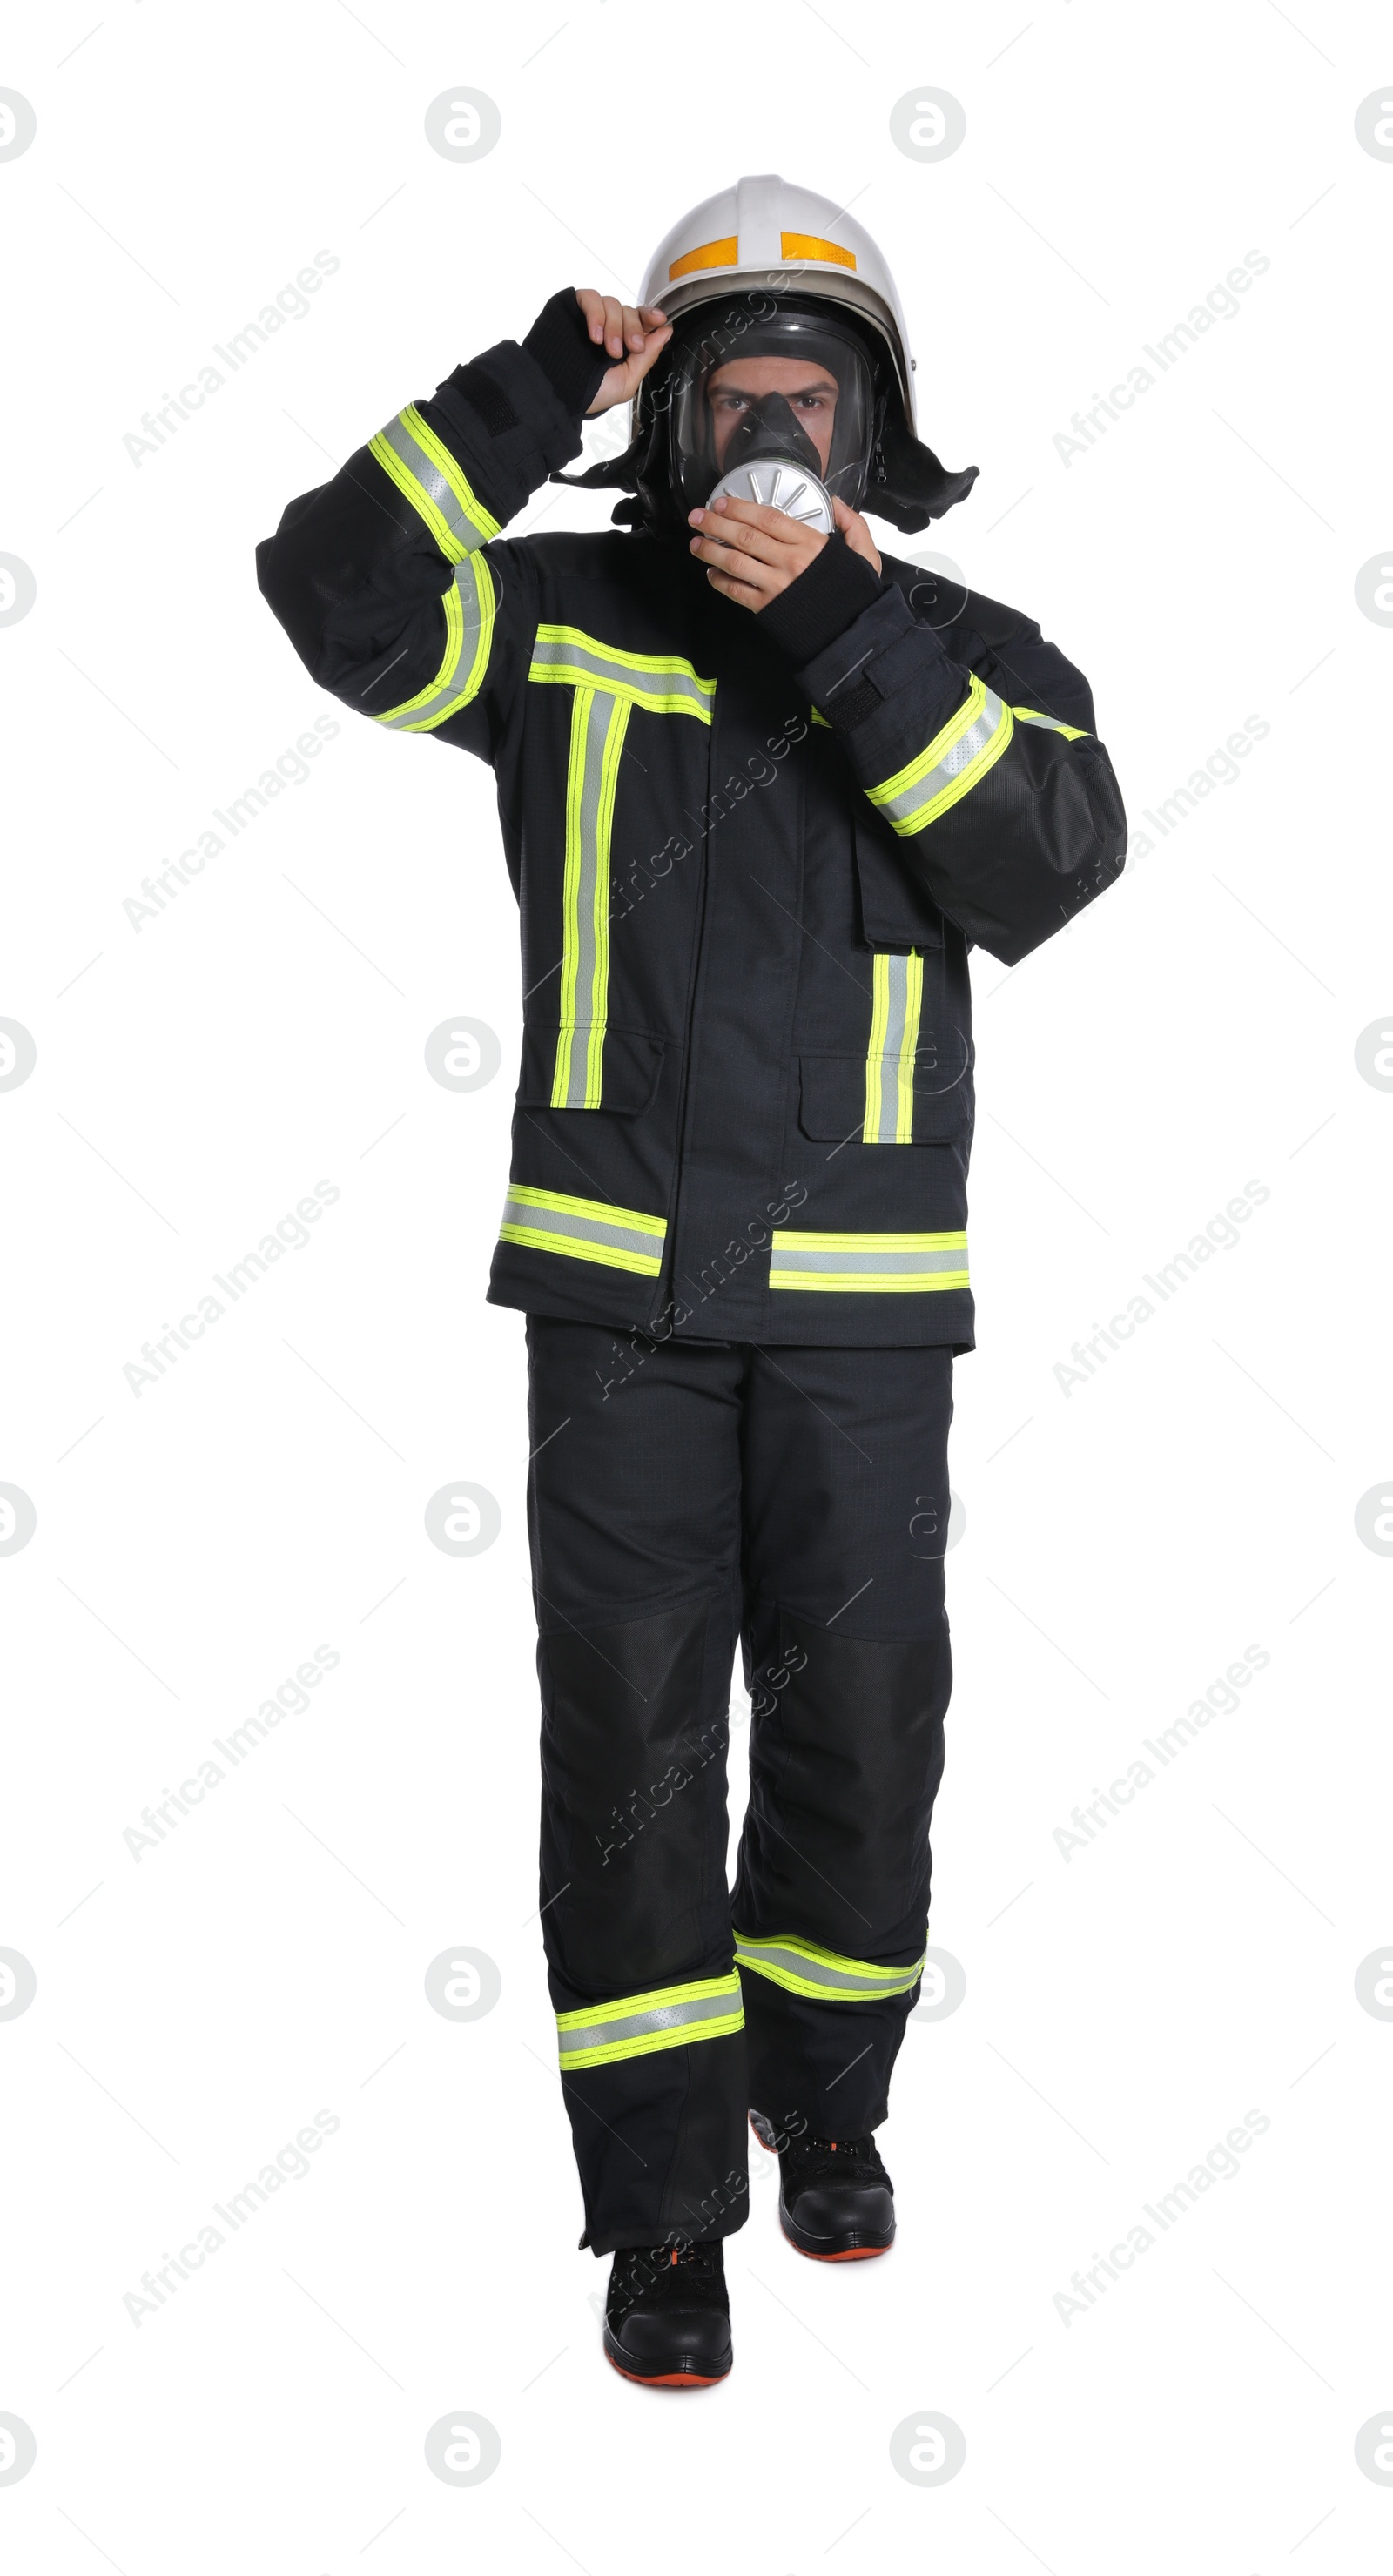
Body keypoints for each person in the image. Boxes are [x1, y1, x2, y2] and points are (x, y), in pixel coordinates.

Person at [257, 172, 1127, 2390]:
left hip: (860, 1321)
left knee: (861, 1729)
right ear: (663, 416)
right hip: (612, 1304)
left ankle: (826, 2102)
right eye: (726, 384)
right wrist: (529, 381)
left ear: (871, 422)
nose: (770, 427)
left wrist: (842, 629)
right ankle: (660, 2213)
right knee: (631, 1753)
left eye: (808, 395)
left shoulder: (979, 660)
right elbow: (330, 590)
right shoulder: (554, 621)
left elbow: (1040, 869)